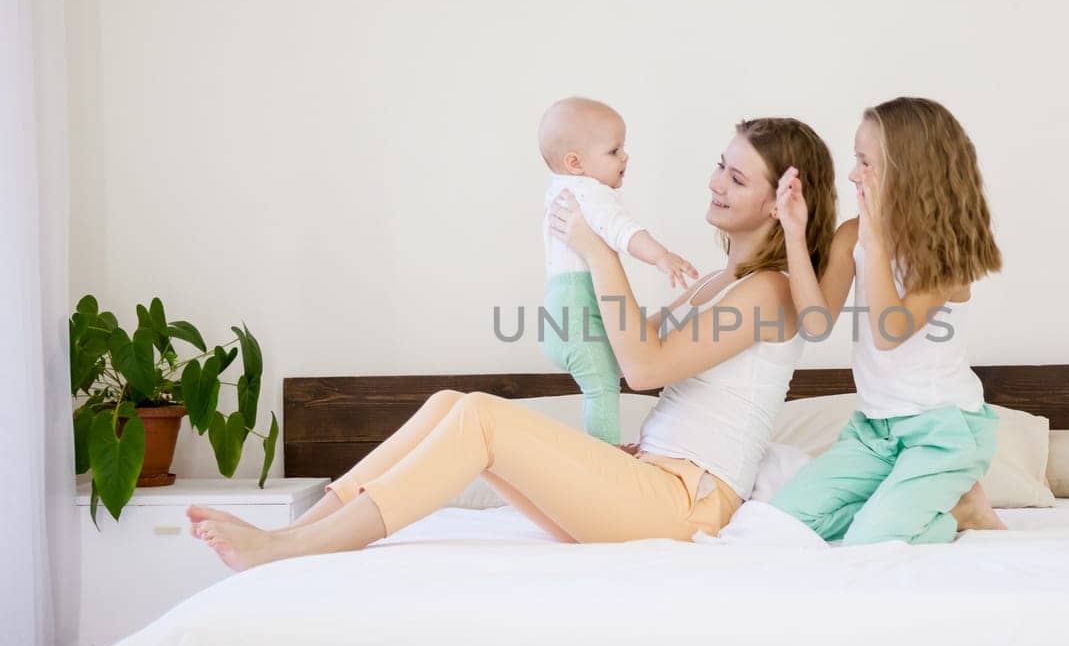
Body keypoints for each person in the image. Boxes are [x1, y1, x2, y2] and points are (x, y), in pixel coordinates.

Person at [187, 118, 838, 568]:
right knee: (450, 401)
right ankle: (297, 532)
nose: (716, 183)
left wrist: (598, 246)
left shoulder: (773, 291)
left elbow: (642, 368)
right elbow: (628, 348)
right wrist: (577, 270)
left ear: (782, 203)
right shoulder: (721, 279)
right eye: (720, 166)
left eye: (738, 179)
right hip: (653, 481)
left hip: (685, 508)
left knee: (480, 418)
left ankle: (302, 548)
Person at [769, 96, 1005, 545]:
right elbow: (816, 324)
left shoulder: (945, 255)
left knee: (869, 544)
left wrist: (876, 242)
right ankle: (905, 501)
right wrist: (794, 234)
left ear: (909, 170)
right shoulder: (851, 235)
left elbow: (889, 330)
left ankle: (960, 509)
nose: (855, 174)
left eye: (866, 163)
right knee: (784, 523)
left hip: (942, 431)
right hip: (877, 431)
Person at [537, 97, 696, 442]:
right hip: (577, 316)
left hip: (559, 314)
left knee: (608, 373)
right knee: (603, 387)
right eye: (614, 151)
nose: (625, 158)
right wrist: (661, 256)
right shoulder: (591, 193)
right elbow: (624, 231)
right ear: (576, 163)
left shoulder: (559, 191)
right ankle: (605, 455)